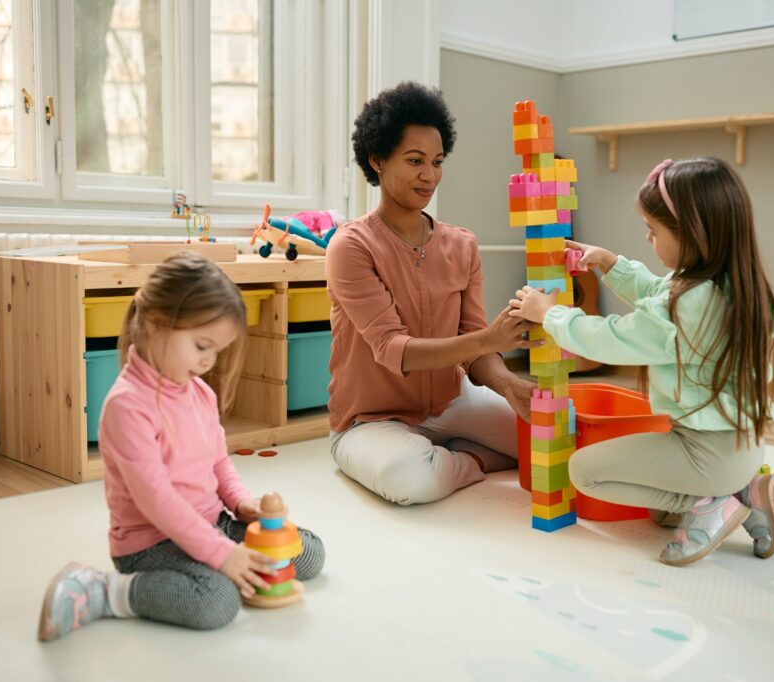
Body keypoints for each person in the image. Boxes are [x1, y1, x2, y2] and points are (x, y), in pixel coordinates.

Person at [510, 157, 774, 566]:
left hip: (706, 455)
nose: (648, 239)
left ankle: (711, 504)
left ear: (691, 234)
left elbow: (611, 339)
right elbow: (660, 293)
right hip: (744, 447)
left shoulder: (687, 307)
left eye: (652, 231)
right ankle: (742, 490)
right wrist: (609, 264)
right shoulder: (734, 286)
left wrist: (550, 315)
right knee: (656, 492)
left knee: (584, 472)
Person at [38, 253, 325, 640]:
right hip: (151, 545)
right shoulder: (127, 407)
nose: (209, 360)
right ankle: (105, 591)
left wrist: (241, 504)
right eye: (202, 345)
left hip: (212, 522)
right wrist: (224, 555)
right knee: (217, 601)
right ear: (157, 322)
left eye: (217, 351)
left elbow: (218, 462)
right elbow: (158, 501)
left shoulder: (200, 393)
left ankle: (219, 560)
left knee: (306, 552)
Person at [326, 81, 539, 506]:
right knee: (410, 480)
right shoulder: (350, 246)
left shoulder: (462, 245)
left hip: (452, 402)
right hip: (370, 421)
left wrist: (507, 382)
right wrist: (489, 340)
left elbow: (477, 350)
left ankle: (451, 453)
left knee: (553, 443)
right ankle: (472, 461)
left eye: (437, 162)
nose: (430, 175)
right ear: (377, 161)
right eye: (415, 161)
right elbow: (394, 349)